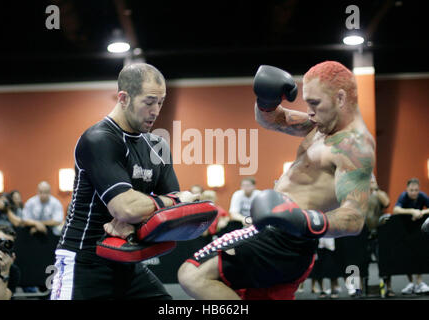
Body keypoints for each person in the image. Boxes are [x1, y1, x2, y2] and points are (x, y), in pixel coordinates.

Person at [178, 61, 375, 300]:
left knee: (192, 274)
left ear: (340, 98)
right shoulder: (321, 128)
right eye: (307, 103)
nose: (310, 111)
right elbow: (273, 119)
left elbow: (354, 219)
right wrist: (267, 100)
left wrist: (301, 219)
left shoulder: (354, 146)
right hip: (275, 235)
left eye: (315, 103)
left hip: (286, 243)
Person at [50, 63, 199, 300]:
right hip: (84, 262)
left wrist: (143, 215)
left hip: (129, 262)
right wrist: (161, 204)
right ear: (124, 98)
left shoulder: (158, 146)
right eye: (149, 102)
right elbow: (127, 207)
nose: (156, 110)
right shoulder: (99, 139)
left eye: (160, 102)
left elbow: (175, 215)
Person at [393, 178, 429, 295]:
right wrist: (412, 211)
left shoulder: (422, 196)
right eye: (411, 190)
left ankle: (419, 283)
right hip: (405, 232)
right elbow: (396, 209)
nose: (414, 192)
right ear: (407, 189)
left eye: (416, 190)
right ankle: (411, 284)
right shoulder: (403, 196)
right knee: (406, 256)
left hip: (418, 233)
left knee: (419, 255)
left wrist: (421, 212)